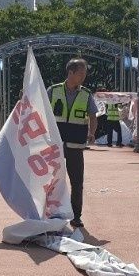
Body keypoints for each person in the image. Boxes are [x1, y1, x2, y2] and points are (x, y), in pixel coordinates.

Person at [48, 58, 98, 228]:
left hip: (76, 145)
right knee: (50, 180)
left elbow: (93, 115)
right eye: (81, 72)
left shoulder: (86, 94)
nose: (84, 76)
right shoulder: (53, 91)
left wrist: (91, 132)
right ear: (71, 73)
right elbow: (40, 109)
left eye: (85, 73)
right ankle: (49, 213)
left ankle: (76, 216)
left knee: (77, 182)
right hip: (54, 145)